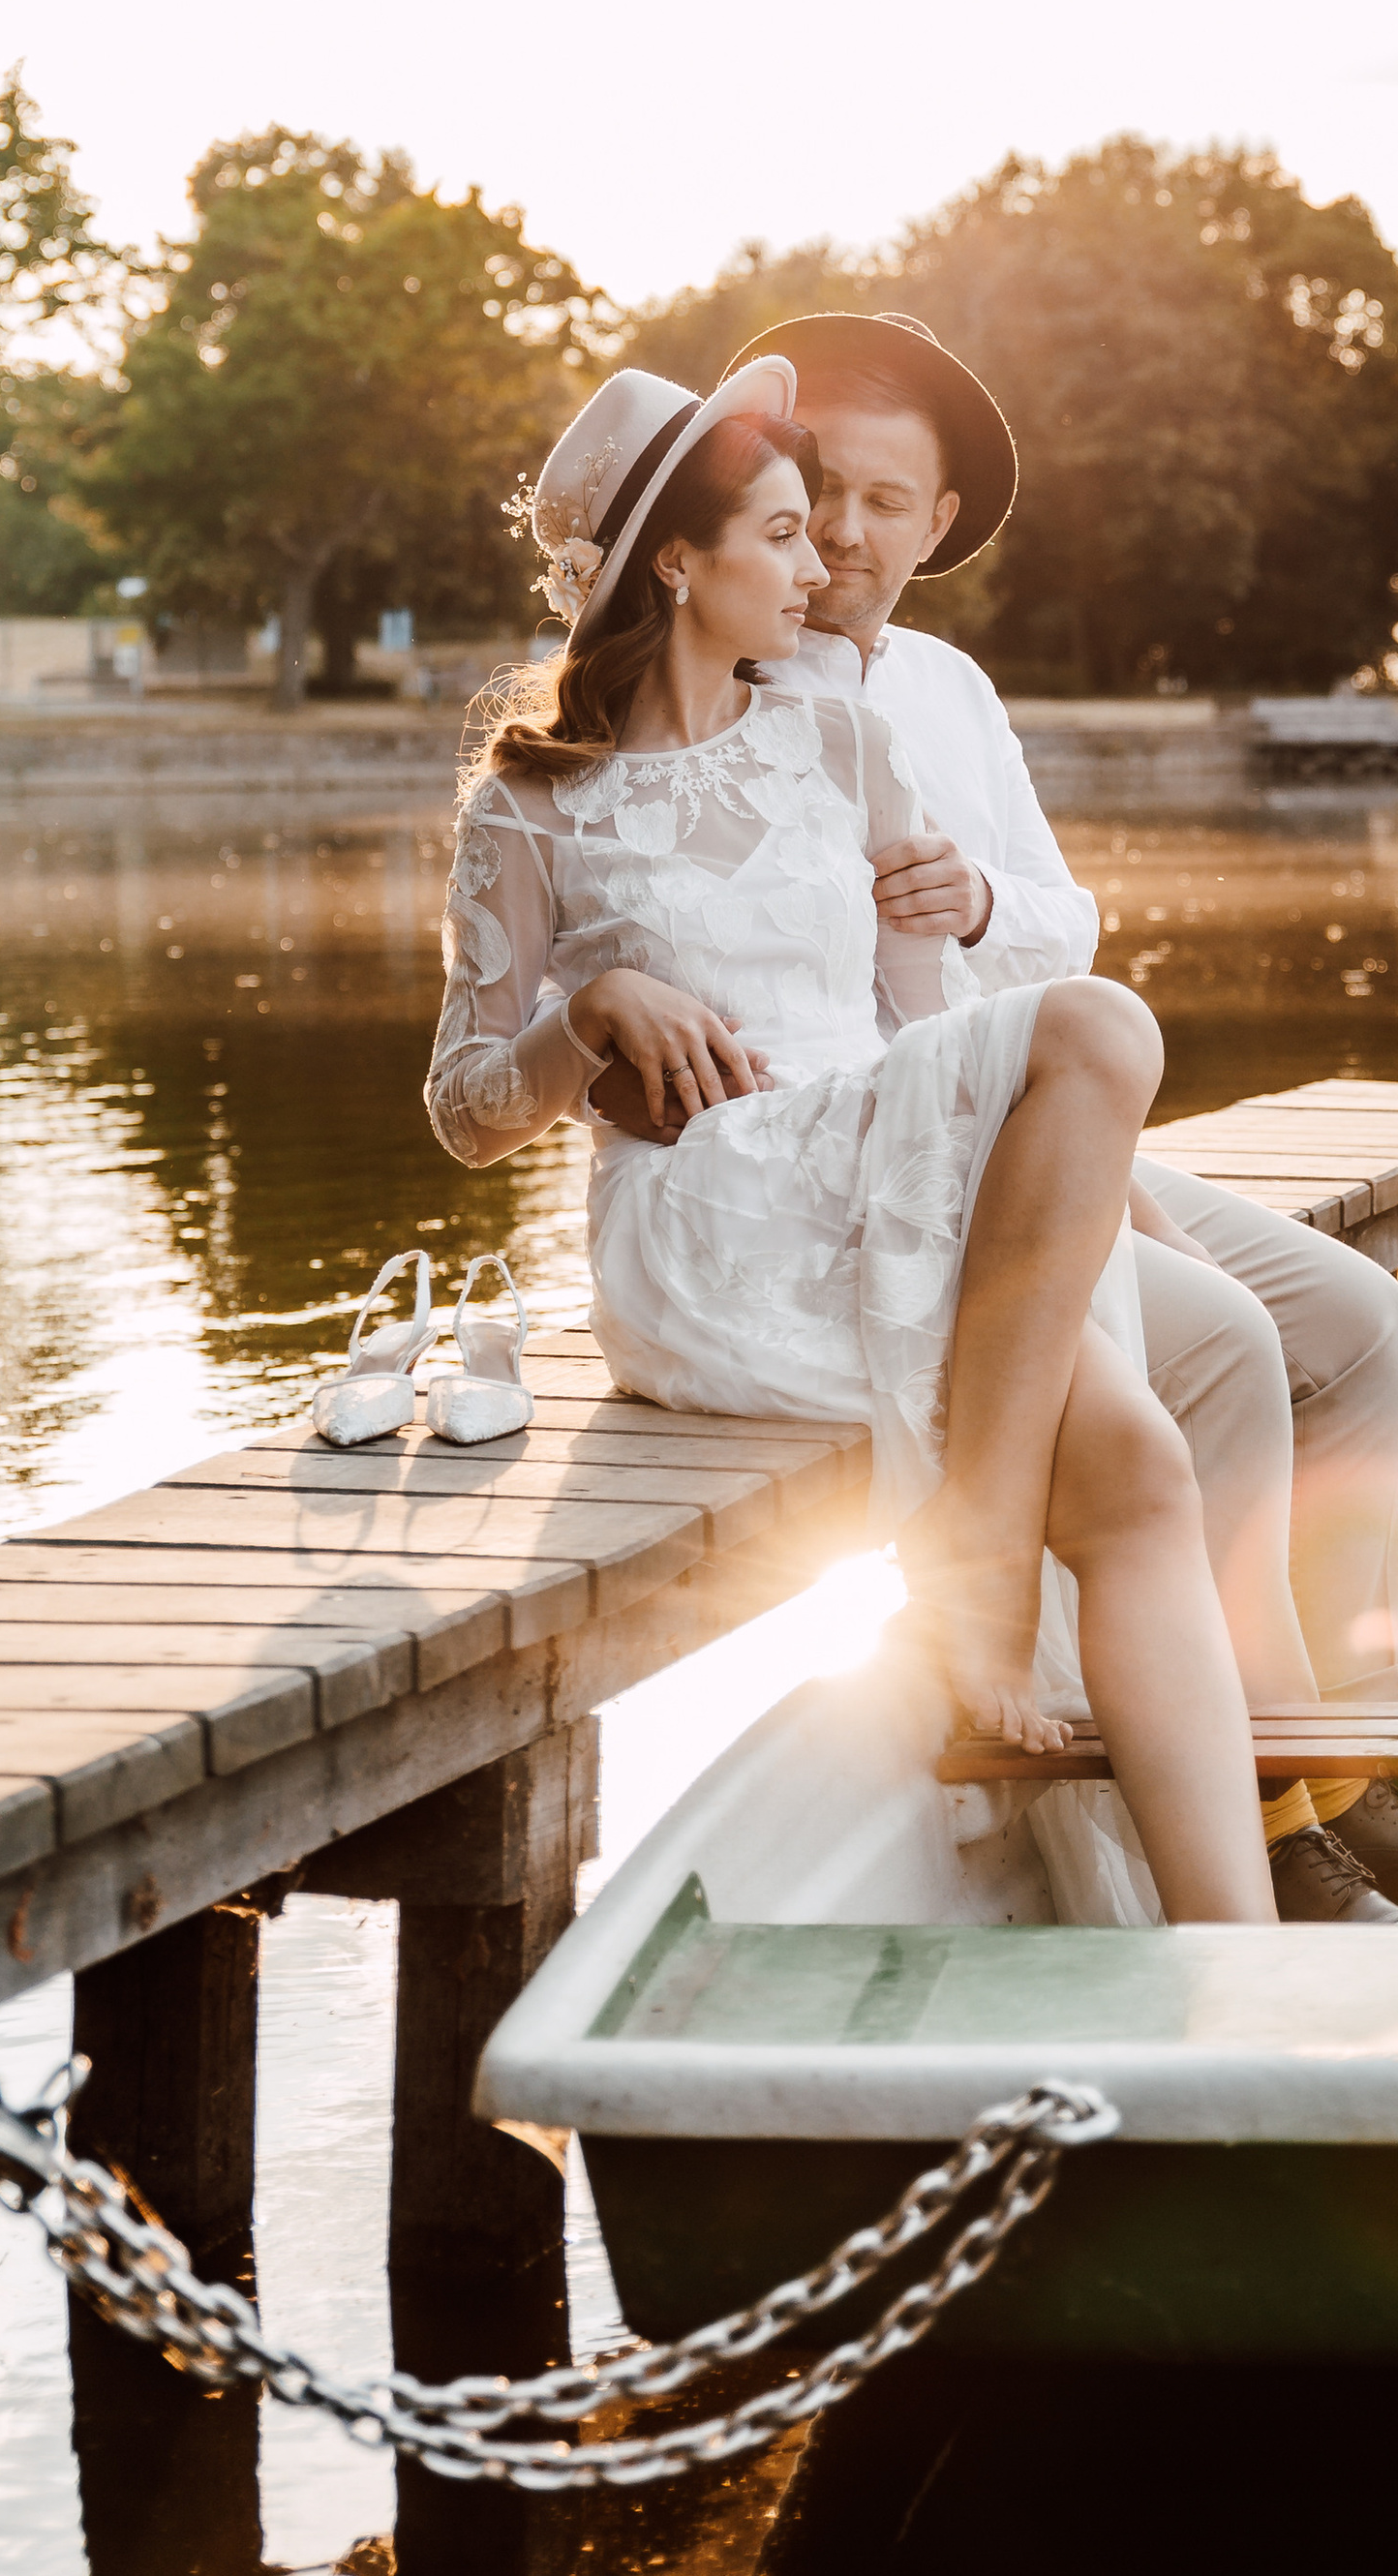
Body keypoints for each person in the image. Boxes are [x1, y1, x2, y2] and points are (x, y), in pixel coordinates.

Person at [707, 308, 1398, 1924]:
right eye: (817, 486)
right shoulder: (736, 688)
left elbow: (1064, 925)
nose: (842, 530)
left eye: (888, 501)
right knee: (1230, 1345)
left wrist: (972, 910)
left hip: (1052, 1123)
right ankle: (1279, 1820)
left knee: (1363, 1318)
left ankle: (1346, 1764)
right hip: (917, 1169)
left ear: (938, 526)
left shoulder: (953, 691)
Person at [425, 357, 1284, 1925]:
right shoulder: (531, 805)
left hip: (885, 1170)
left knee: (1145, 1475)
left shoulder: (839, 742)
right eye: (782, 534)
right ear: (676, 563)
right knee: (1100, 1025)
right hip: (712, 1218)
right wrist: (594, 1008)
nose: (823, 569)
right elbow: (468, 1110)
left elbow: (920, 1021)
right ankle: (977, 1555)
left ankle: (1246, 1962)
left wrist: (1043, 1184)